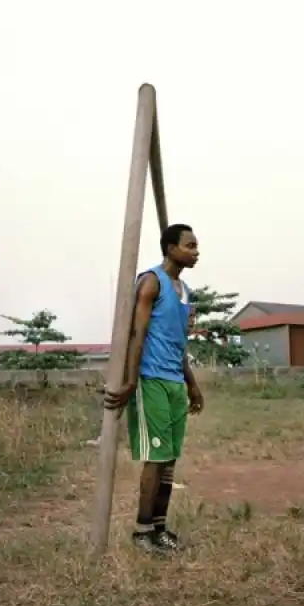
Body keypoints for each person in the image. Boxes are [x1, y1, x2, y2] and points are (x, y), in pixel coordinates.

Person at [104, 223, 204, 553]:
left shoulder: (185, 291)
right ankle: (142, 531)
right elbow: (138, 334)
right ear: (170, 247)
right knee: (155, 458)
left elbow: (179, 343)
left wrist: (192, 384)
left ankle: (160, 528)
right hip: (151, 380)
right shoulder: (151, 282)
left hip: (175, 382)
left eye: (196, 246)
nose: (196, 251)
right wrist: (131, 380)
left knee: (169, 461)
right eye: (189, 246)